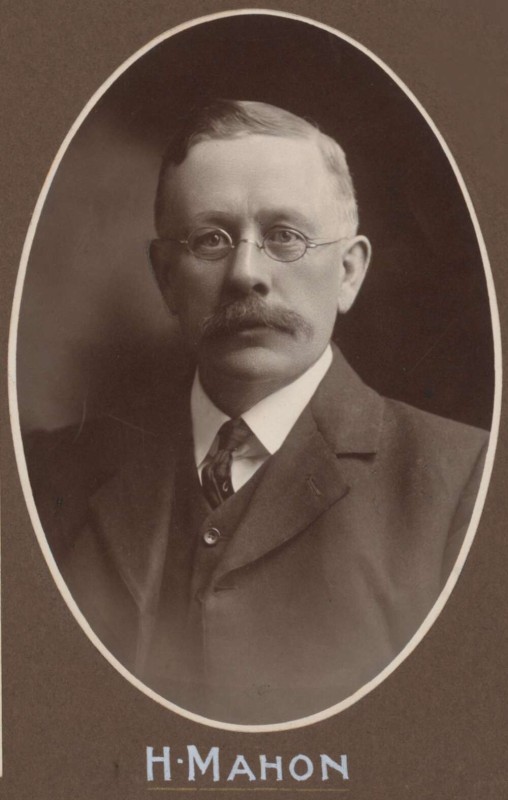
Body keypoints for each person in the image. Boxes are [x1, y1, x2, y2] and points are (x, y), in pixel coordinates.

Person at [26, 100, 488, 725]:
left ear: (348, 272)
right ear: (166, 277)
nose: (246, 274)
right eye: (211, 240)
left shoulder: (467, 482)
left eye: (285, 237)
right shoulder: (47, 475)